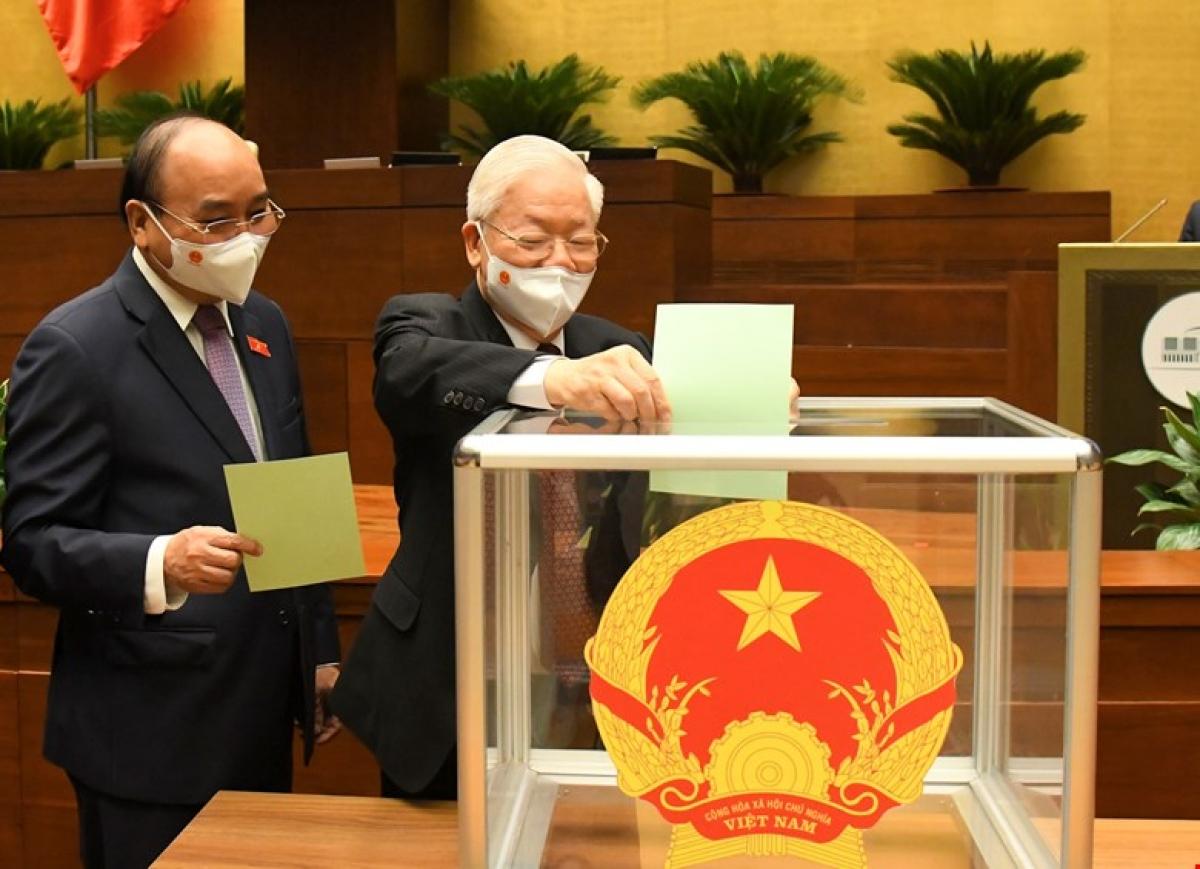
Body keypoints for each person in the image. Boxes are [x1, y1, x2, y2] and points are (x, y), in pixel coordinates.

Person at [0, 115, 341, 869]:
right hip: (146, 735)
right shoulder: (76, 346)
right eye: (215, 221)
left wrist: (318, 651)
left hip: (260, 708)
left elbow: (289, 484)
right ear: (142, 223)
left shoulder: (265, 323)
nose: (245, 238)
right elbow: (31, 542)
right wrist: (160, 562)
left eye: (259, 212)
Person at [331, 134, 670, 800]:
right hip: (451, 673)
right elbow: (408, 374)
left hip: (589, 665)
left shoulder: (616, 346)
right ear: (475, 241)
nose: (560, 261)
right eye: (533, 240)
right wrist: (550, 377)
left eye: (581, 241)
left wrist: (753, 391)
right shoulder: (426, 323)